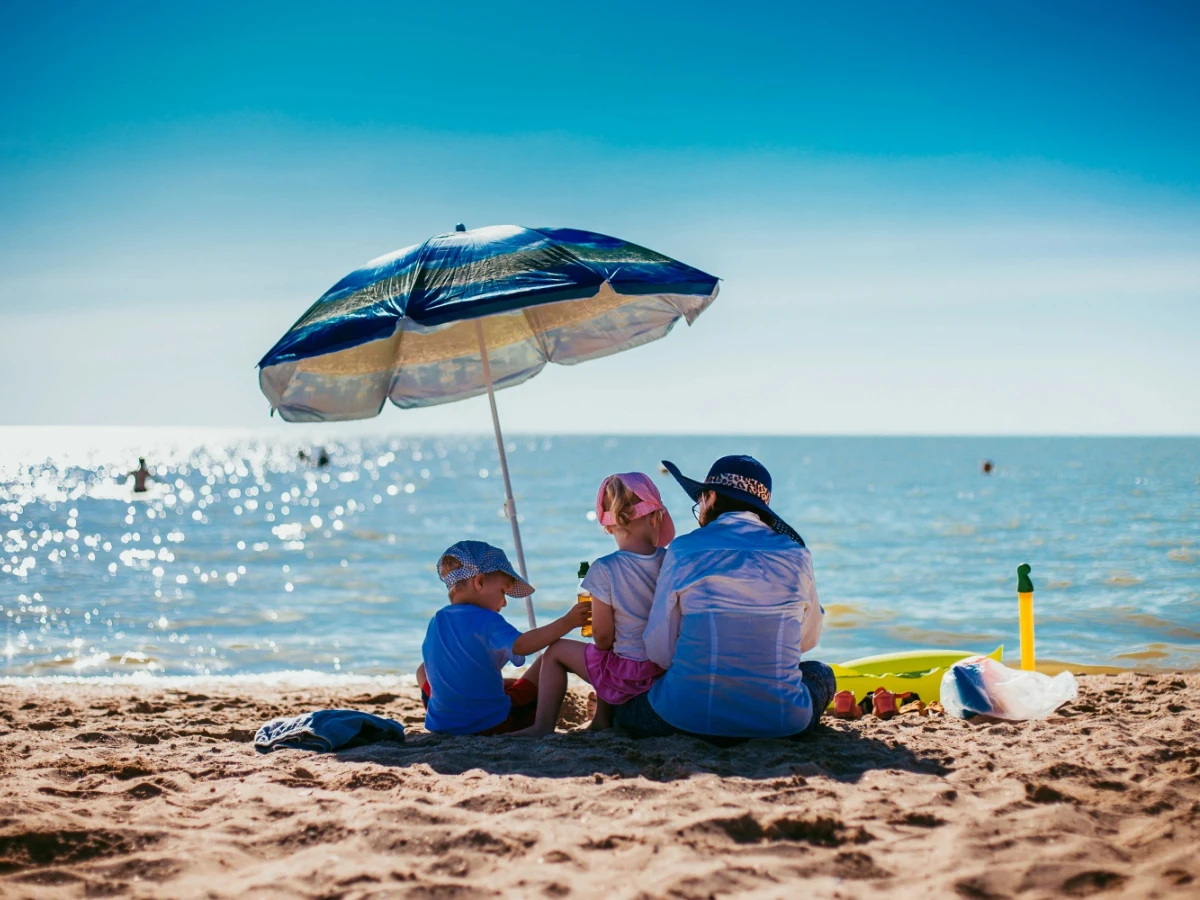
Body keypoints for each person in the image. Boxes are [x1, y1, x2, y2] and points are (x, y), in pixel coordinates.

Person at [615, 455, 836, 743]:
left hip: (687, 718)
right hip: (780, 722)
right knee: (821, 673)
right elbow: (806, 641)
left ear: (711, 497)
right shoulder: (796, 555)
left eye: (700, 501)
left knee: (625, 710)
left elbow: (659, 648)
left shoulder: (684, 550)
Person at [512, 473, 675, 736]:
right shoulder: (671, 562)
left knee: (557, 652)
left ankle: (541, 726)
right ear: (656, 517)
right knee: (610, 654)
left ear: (609, 526)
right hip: (664, 670)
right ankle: (600, 720)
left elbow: (601, 636)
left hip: (630, 675)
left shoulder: (604, 569)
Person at [416, 540, 590, 736]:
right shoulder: (487, 619)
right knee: (545, 661)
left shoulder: (436, 620)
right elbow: (522, 645)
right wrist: (567, 622)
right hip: (491, 724)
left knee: (423, 670)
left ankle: (450, 716)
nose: (504, 603)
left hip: (443, 725)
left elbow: (468, 666)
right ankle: (541, 727)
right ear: (479, 582)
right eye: (503, 592)